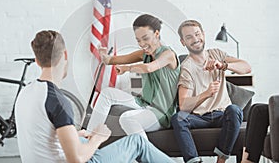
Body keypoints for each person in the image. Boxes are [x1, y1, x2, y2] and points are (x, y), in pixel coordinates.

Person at [15, 30, 176, 163]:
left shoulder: (26, 93)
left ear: (36, 60)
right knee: (137, 142)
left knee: (84, 139)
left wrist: (78, 135)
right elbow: (76, 159)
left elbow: (43, 133)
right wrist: (98, 137)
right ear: (65, 55)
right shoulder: (57, 101)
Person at [87, 14, 180, 139]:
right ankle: (89, 138)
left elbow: (149, 68)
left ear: (157, 34)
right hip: (143, 103)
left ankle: (148, 153)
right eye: (138, 40)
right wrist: (104, 56)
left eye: (145, 38)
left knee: (127, 119)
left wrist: (127, 68)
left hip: (161, 113)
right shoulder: (144, 54)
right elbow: (113, 60)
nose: (141, 44)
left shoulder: (168, 54)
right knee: (107, 94)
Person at [171, 20, 252, 163]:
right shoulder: (186, 68)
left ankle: (221, 160)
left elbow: (246, 67)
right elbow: (184, 106)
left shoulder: (217, 54)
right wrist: (206, 94)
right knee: (178, 118)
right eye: (189, 37)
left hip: (222, 114)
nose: (195, 39)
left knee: (235, 110)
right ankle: (194, 161)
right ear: (183, 42)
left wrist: (223, 65)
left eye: (197, 34)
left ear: (203, 34)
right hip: (199, 118)